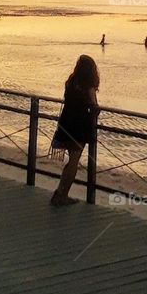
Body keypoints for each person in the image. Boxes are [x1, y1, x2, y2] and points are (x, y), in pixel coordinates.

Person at [49, 55, 99, 207]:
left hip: (66, 122)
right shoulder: (88, 85)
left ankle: (60, 193)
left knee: (71, 160)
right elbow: (94, 107)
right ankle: (62, 195)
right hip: (80, 126)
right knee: (74, 161)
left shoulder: (71, 82)